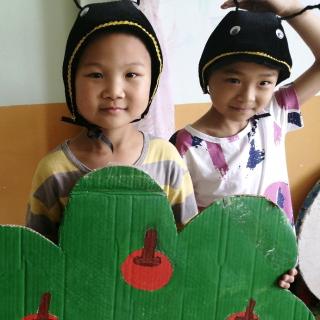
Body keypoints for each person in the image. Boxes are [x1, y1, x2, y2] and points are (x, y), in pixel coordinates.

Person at [170, 0, 320, 289]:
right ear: (208, 78)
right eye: (233, 79)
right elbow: (179, 226)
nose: (248, 96)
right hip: (213, 275)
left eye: (264, 83)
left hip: (274, 269)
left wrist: (288, 10)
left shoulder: (272, 115)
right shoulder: (183, 146)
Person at [26, 0, 197, 244]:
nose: (114, 91)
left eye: (131, 74)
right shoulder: (54, 172)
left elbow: (189, 246)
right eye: (96, 75)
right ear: (71, 82)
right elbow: (36, 256)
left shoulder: (168, 160)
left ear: (153, 81)